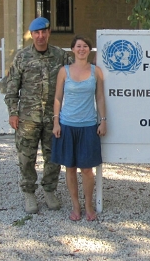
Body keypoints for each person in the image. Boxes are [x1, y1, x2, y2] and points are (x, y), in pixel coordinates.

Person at [4, 17, 73, 214]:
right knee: (26, 157)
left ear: (49, 32)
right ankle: (29, 192)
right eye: (36, 33)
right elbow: (11, 88)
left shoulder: (60, 56)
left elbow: (77, 74)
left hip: (54, 117)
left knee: (53, 157)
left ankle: (50, 190)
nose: (40, 36)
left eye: (44, 32)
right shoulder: (22, 57)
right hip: (27, 118)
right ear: (31, 34)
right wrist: (13, 113)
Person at [52, 35, 106, 222]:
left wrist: (103, 120)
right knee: (70, 168)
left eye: (85, 46)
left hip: (89, 125)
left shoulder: (96, 72)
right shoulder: (64, 72)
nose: (81, 49)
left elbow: (100, 98)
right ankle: (76, 206)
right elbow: (58, 98)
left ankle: (89, 205)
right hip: (67, 125)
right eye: (78, 46)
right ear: (72, 49)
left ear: (89, 50)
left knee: (87, 170)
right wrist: (56, 122)